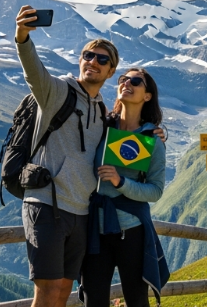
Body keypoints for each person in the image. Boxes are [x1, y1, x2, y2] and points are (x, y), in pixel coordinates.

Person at [15, 5, 118, 307]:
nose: (93, 62)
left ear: (111, 71)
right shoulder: (57, 92)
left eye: (103, 60)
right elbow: (33, 70)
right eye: (89, 55)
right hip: (47, 205)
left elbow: (130, 136)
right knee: (45, 293)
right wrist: (22, 36)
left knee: (61, 293)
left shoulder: (101, 110)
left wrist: (157, 134)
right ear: (80, 60)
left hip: (81, 213)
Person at [80, 68, 168, 307]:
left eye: (136, 81)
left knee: (136, 300)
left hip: (132, 231)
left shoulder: (152, 140)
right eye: (123, 79)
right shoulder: (100, 127)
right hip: (95, 228)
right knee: (93, 300)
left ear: (147, 96)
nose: (127, 83)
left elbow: (155, 190)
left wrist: (121, 182)